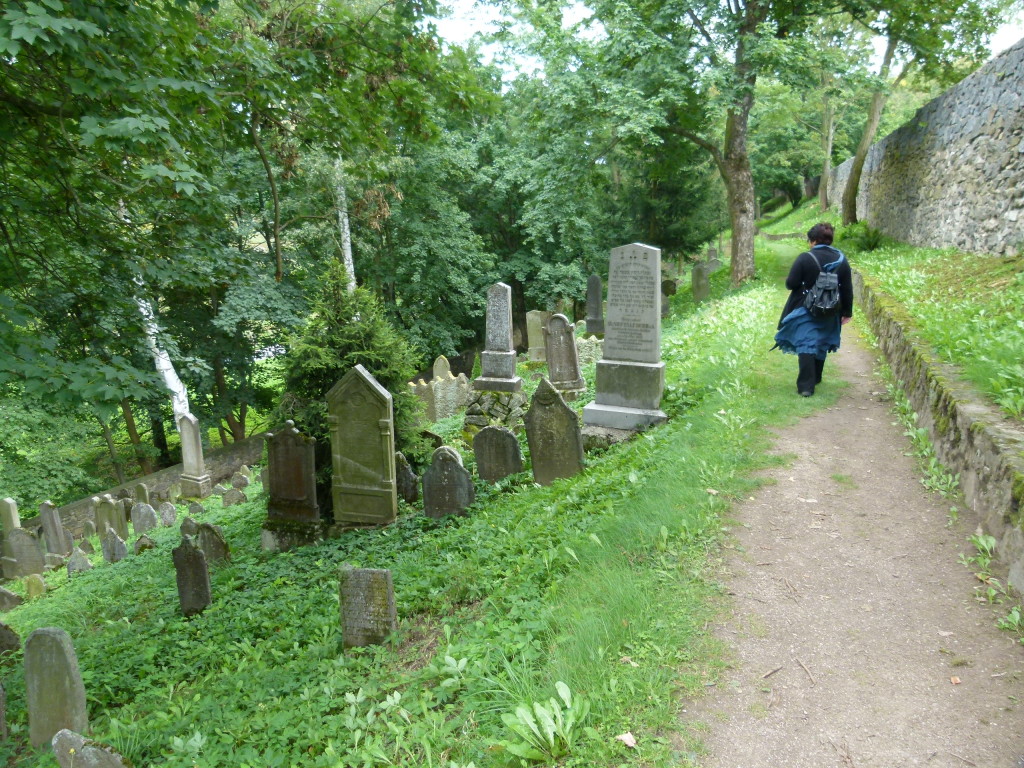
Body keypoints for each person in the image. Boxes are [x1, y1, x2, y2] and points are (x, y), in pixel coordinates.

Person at [773, 222, 853, 396]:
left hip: (806, 308)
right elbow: (847, 287)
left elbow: (791, 283)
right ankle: (816, 377)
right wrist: (847, 312)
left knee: (806, 343)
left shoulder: (805, 258)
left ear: (814, 241)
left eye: (810, 240)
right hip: (831, 309)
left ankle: (806, 387)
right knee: (822, 341)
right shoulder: (841, 259)